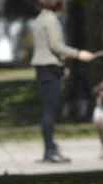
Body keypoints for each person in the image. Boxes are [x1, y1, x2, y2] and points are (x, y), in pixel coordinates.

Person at [30, 0, 96, 164]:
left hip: (44, 68)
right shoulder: (51, 20)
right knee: (50, 111)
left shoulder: (39, 19)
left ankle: (51, 148)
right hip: (49, 68)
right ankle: (50, 151)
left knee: (48, 109)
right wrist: (78, 54)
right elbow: (56, 46)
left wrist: (62, 65)